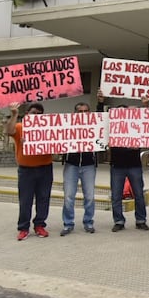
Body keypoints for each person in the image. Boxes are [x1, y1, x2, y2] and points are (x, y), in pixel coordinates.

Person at [97, 90, 149, 232]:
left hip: (134, 165)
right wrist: (100, 102)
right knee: (116, 195)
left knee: (139, 194)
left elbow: (146, 119)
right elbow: (99, 119)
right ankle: (118, 221)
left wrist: (145, 105)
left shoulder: (135, 125)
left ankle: (141, 220)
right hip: (117, 166)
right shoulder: (110, 127)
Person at [6, 102, 54, 241]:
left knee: (43, 199)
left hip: (45, 168)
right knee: (25, 200)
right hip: (26, 170)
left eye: (40, 114)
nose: (37, 116)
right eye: (34, 113)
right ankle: (23, 228)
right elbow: (9, 131)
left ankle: (39, 225)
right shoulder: (20, 127)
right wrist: (14, 114)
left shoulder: (49, 129)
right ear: (27, 114)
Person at [60, 101, 97, 236]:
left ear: (89, 113)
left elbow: (101, 118)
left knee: (90, 196)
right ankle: (68, 223)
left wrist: (100, 102)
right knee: (68, 196)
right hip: (71, 165)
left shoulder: (95, 126)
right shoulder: (66, 126)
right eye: (80, 112)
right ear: (74, 114)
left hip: (89, 166)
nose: (83, 114)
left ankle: (88, 222)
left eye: (85, 111)